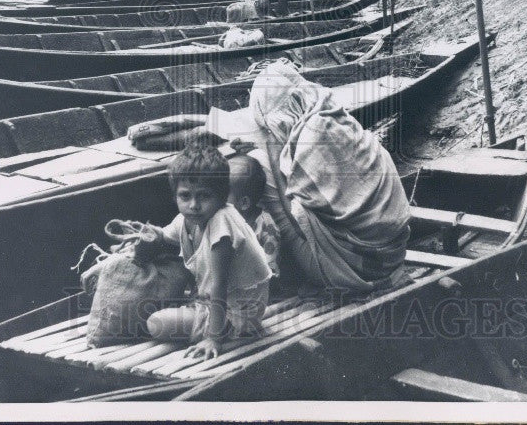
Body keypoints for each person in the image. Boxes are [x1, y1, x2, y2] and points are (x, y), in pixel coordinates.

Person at [245, 60, 411, 294]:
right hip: (392, 255)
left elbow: (296, 221)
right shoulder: (335, 116)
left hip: (355, 270)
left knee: (257, 165)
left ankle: (281, 274)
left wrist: (271, 146)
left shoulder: (309, 141)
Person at [144, 145, 272, 359]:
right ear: (175, 196)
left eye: (204, 196)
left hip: (239, 313)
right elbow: (163, 236)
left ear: (222, 197)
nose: (194, 205)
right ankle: (196, 315)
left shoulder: (222, 223)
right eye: (185, 196)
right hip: (212, 301)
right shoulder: (186, 220)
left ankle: (213, 328)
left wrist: (213, 338)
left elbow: (219, 284)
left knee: (155, 323)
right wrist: (143, 237)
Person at [228, 154, 280, 278]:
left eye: (221, 195)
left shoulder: (267, 228)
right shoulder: (220, 219)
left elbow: (268, 268)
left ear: (244, 203)